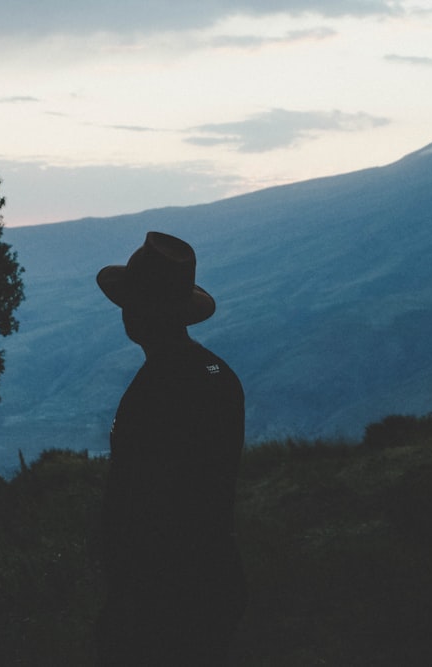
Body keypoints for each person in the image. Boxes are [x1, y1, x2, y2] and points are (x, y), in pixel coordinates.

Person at [95, 231, 247, 666]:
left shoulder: (155, 389)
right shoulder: (219, 373)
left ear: (136, 312)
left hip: (161, 592)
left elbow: (140, 501)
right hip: (216, 574)